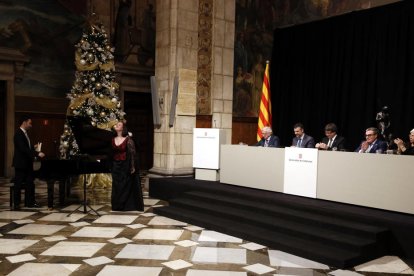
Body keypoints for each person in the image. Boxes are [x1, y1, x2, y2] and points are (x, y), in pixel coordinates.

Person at [12, 116, 45, 210]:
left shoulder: (25, 133)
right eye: (30, 123)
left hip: (27, 163)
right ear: (24, 122)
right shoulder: (18, 133)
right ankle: (17, 204)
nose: (31, 125)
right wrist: (37, 153)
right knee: (18, 184)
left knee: (30, 183)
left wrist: (33, 148)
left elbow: (26, 148)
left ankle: (29, 202)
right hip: (21, 163)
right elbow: (23, 149)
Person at [111, 121, 144, 211]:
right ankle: (117, 205)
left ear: (123, 128)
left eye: (119, 125)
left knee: (124, 184)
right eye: (116, 124)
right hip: (115, 164)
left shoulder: (128, 140)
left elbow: (133, 154)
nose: (117, 125)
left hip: (125, 164)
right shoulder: (112, 139)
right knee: (116, 185)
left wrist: (132, 166)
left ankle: (124, 204)